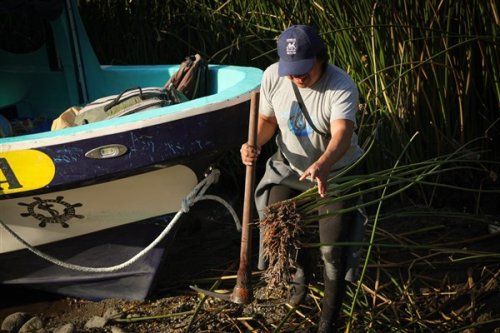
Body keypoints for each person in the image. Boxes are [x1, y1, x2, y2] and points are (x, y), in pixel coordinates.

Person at [240, 25, 365, 333]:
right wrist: (253, 143)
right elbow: (268, 120)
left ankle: (329, 318)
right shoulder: (273, 76)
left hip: (334, 171)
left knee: (331, 249)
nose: (297, 78)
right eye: (292, 71)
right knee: (278, 225)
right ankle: (300, 277)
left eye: (304, 70)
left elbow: (342, 134)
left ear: (320, 59)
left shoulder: (341, 85)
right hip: (291, 167)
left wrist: (323, 163)